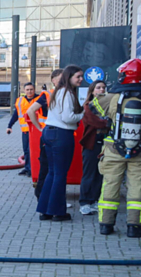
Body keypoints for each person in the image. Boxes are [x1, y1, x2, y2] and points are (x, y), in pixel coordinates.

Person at [90, 59, 141, 237]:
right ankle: (135, 226)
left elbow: (92, 107)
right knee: (137, 187)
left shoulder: (110, 98)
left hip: (112, 149)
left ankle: (106, 224)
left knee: (110, 184)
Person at [36, 66, 85, 221]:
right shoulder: (68, 93)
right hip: (61, 134)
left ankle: (46, 210)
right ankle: (58, 212)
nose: (81, 79)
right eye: (78, 76)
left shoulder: (58, 91)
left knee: (52, 172)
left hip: (49, 133)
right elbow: (68, 118)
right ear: (69, 76)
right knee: (60, 174)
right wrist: (84, 113)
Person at [28, 69, 63, 198]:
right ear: (53, 80)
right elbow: (31, 111)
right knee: (48, 168)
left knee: (51, 169)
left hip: (52, 135)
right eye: (60, 78)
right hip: (50, 136)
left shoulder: (64, 94)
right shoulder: (48, 95)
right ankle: (43, 196)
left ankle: (48, 196)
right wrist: (39, 128)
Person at [78, 80, 108, 215]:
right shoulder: (88, 106)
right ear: (92, 91)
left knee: (100, 174)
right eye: (98, 88)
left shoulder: (108, 105)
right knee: (89, 173)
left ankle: (94, 200)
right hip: (92, 143)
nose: (101, 90)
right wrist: (107, 122)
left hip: (106, 143)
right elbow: (95, 122)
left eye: (103, 87)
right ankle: (84, 202)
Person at [6, 82, 38, 176]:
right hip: (25, 131)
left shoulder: (39, 99)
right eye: (27, 90)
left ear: (34, 90)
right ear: (24, 90)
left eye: (31, 89)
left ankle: (34, 169)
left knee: (34, 151)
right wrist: (9, 126)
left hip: (36, 130)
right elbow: (16, 114)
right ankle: (28, 168)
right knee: (27, 151)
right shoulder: (20, 101)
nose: (29, 91)